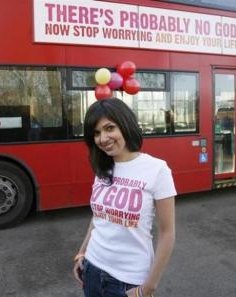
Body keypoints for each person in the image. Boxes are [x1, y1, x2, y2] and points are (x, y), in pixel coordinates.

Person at [73, 98, 176, 297]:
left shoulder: (157, 170)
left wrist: (148, 288)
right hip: (92, 269)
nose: (103, 138)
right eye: (96, 133)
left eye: (109, 128)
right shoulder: (103, 169)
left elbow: (167, 233)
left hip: (128, 280)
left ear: (125, 125)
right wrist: (82, 252)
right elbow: (98, 217)